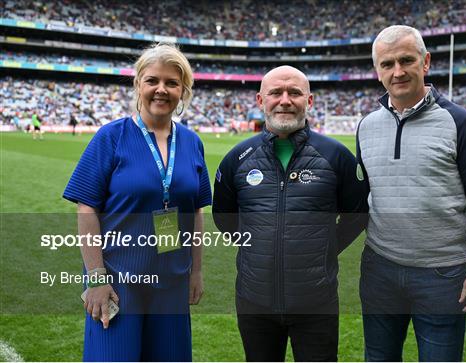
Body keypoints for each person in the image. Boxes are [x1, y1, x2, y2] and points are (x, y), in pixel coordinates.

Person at [356, 25, 466, 361]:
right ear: (377, 71)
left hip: (441, 275)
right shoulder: (366, 126)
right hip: (378, 270)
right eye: (387, 64)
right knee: (378, 357)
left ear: (426, 62)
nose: (398, 71)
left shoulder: (460, 122)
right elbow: (361, 200)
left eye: (406, 60)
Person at [63, 43, 212, 361]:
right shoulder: (111, 137)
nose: (162, 89)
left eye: (172, 83)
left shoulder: (192, 142)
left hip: (172, 281)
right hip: (118, 282)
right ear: (138, 85)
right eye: (152, 80)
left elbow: (196, 212)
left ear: (183, 91)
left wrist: (195, 272)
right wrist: (97, 278)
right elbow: (87, 207)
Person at [212, 65, 369, 362]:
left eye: (295, 93)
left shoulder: (335, 156)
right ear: (261, 101)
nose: (285, 100)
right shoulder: (238, 158)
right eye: (276, 93)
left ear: (309, 101)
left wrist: (325, 246)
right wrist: (256, 246)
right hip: (254, 302)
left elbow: (358, 214)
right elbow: (223, 216)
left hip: (316, 304)